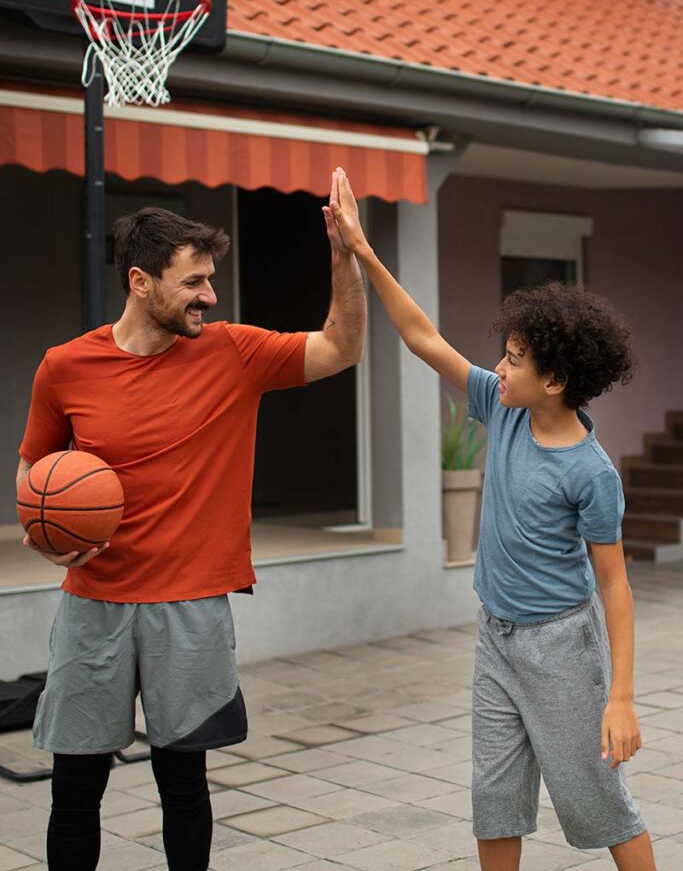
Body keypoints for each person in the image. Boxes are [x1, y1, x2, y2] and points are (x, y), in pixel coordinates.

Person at [16, 169, 366, 871]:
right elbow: (32, 468)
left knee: (184, 783)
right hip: (95, 605)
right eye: (193, 282)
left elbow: (340, 347)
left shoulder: (233, 352)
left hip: (191, 604)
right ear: (140, 283)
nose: (210, 295)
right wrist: (46, 535)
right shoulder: (65, 366)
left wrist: (344, 257)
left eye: (211, 279)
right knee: (75, 788)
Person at [328, 172, 655, 871]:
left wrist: (620, 698)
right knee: (493, 799)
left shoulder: (590, 472)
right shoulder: (500, 408)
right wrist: (360, 248)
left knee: (597, 802)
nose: (498, 369)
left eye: (513, 359)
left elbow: (615, 587)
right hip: (495, 639)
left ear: (556, 380)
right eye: (502, 356)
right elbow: (421, 336)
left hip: (561, 650)